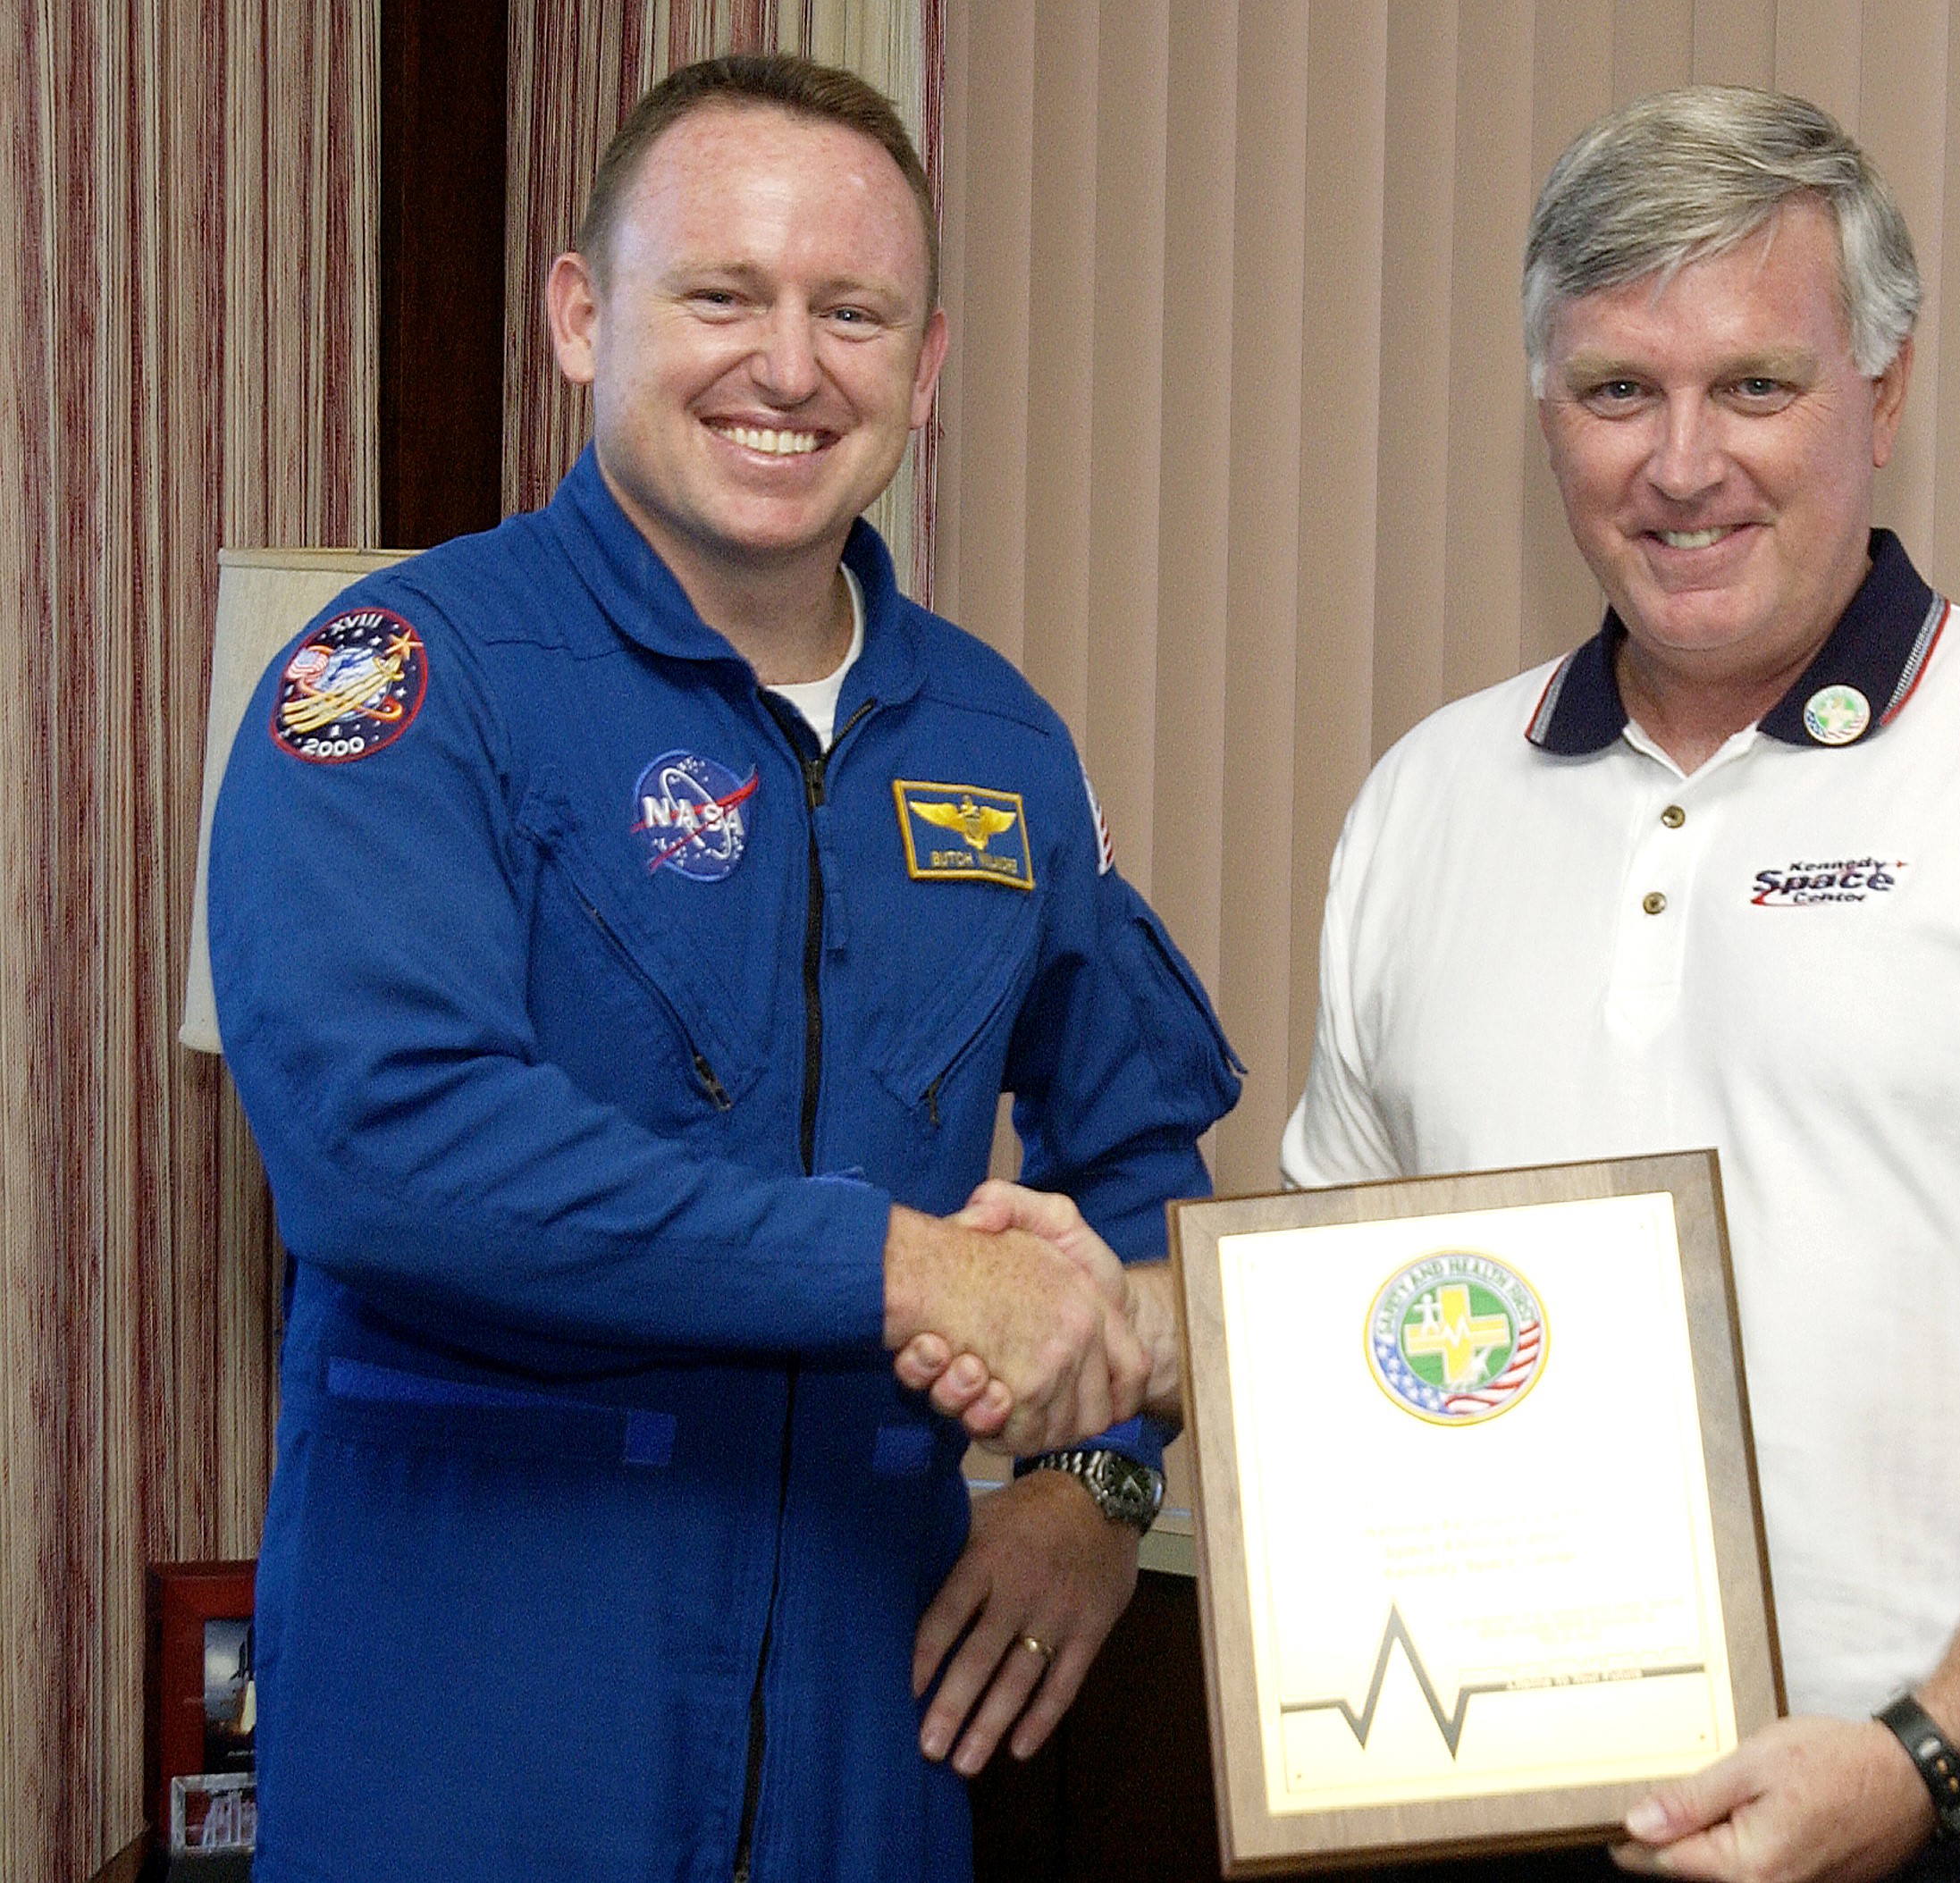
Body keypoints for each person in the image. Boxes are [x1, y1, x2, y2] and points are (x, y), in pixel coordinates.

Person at [919, 86, 1960, 1882]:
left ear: (1882, 394)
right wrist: (1121, 1338)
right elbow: (1360, 1317)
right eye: (1617, 392)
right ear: (1545, 413)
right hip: (1502, 1810)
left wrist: (1927, 1757)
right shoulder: (1432, 798)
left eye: (1755, 385)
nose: (1684, 464)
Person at [207, 55, 1239, 1883]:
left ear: (925, 365)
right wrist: (901, 1266)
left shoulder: (1000, 746)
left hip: (869, 1731)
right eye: (721, 295)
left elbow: (1143, 1155)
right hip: (478, 1732)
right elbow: (390, 1151)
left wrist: (1097, 1488)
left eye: (853, 312)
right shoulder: (404, 682)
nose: (789, 365)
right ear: (580, 316)